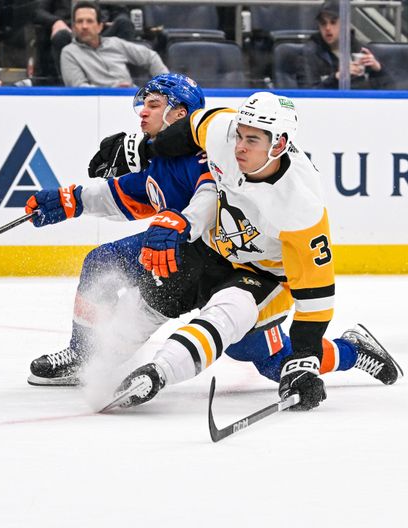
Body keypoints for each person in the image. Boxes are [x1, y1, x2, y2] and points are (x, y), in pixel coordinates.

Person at [91, 92, 402, 410]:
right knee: (162, 293)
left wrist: (305, 362)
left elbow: (315, 301)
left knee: (249, 341)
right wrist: (148, 151)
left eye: (252, 140)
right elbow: (187, 131)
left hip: (263, 272)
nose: (239, 146)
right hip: (212, 247)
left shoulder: (301, 207)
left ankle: (351, 350)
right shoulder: (222, 130)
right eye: (239, 135)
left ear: (279, 145)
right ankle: (91, 358)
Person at [24, 73, 212, 385]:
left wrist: (184, 222)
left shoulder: (204, 158)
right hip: (171, 251)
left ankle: (319, 354)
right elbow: (122, 193)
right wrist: (70, 200)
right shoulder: (160, 161)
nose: (143, 111)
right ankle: (82, 355)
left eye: (154, 105)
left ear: (180, 113)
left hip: (220, 260)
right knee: (101, 262)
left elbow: (211, 197)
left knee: (258, 352)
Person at [60, 1, 167, 88]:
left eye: (89, 21)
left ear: (100, 26)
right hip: (96, 104)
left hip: (130, 98)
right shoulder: (69, 52)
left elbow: (151, 57)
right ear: (73, 27)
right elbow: (79, 88)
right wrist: (113, 90)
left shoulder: (115, 43)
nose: (84, 26)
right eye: (79, 21)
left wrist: (166, 86)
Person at [298, 0, 393, 89]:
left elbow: (390, 91)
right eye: (323, 23)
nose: (327, 28)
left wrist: (379, 70)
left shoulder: (360, 50)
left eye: (333, 22)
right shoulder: (310, 53)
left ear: (345, 24)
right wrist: (336, 78)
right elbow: (308, 94)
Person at [35, 0, 135, 84]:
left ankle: (120, 81)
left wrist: (107, 23)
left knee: (124, 23)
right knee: (61, 36)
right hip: (71, 34)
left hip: (101, 34)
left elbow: (121, 11)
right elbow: (37, 11)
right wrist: (55, 21)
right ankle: (68, 85)